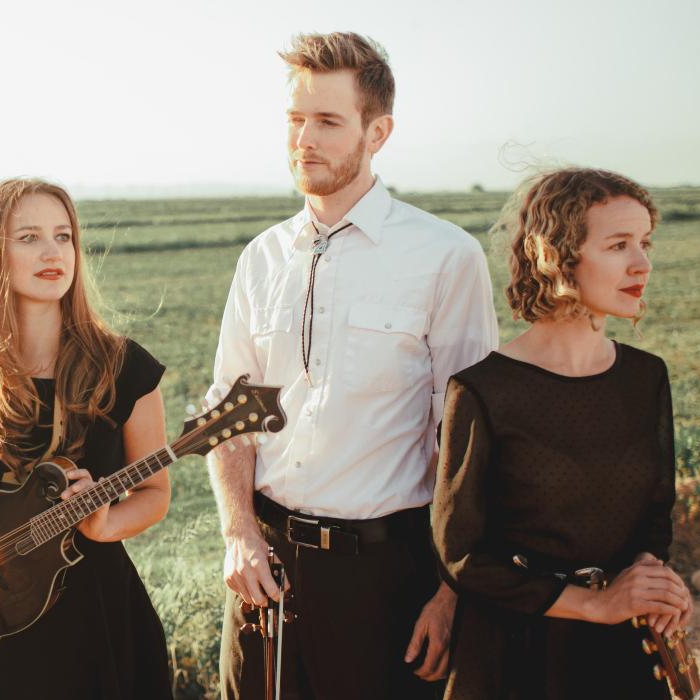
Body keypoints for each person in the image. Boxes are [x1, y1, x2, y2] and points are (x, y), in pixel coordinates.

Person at [207, 32, 500, 699]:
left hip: (388, 578)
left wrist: (452, 596)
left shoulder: (445, 258)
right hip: (267, 563)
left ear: (378, 132)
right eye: (294, 120)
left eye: (328, 122)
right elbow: (229, 412)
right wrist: (239, 534)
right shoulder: (261, 257)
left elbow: (468, 448)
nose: (303, 139)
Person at [0, 178, 173, 699]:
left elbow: (155, 495)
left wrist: (105, 521)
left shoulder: (124, 368)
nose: (53, 252)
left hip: (94, 613)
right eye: (28, 238)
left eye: (64, 236)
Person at [433, 168, 692, 699]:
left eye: (644, 242)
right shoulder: (483, 390)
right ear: (559, 253)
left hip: (623, 653)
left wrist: (654, 580)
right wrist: (595, 603)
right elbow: (462, 555)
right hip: (516, 655)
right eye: (619, 244)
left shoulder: (646, 378)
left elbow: (653, 521)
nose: (642, 263)